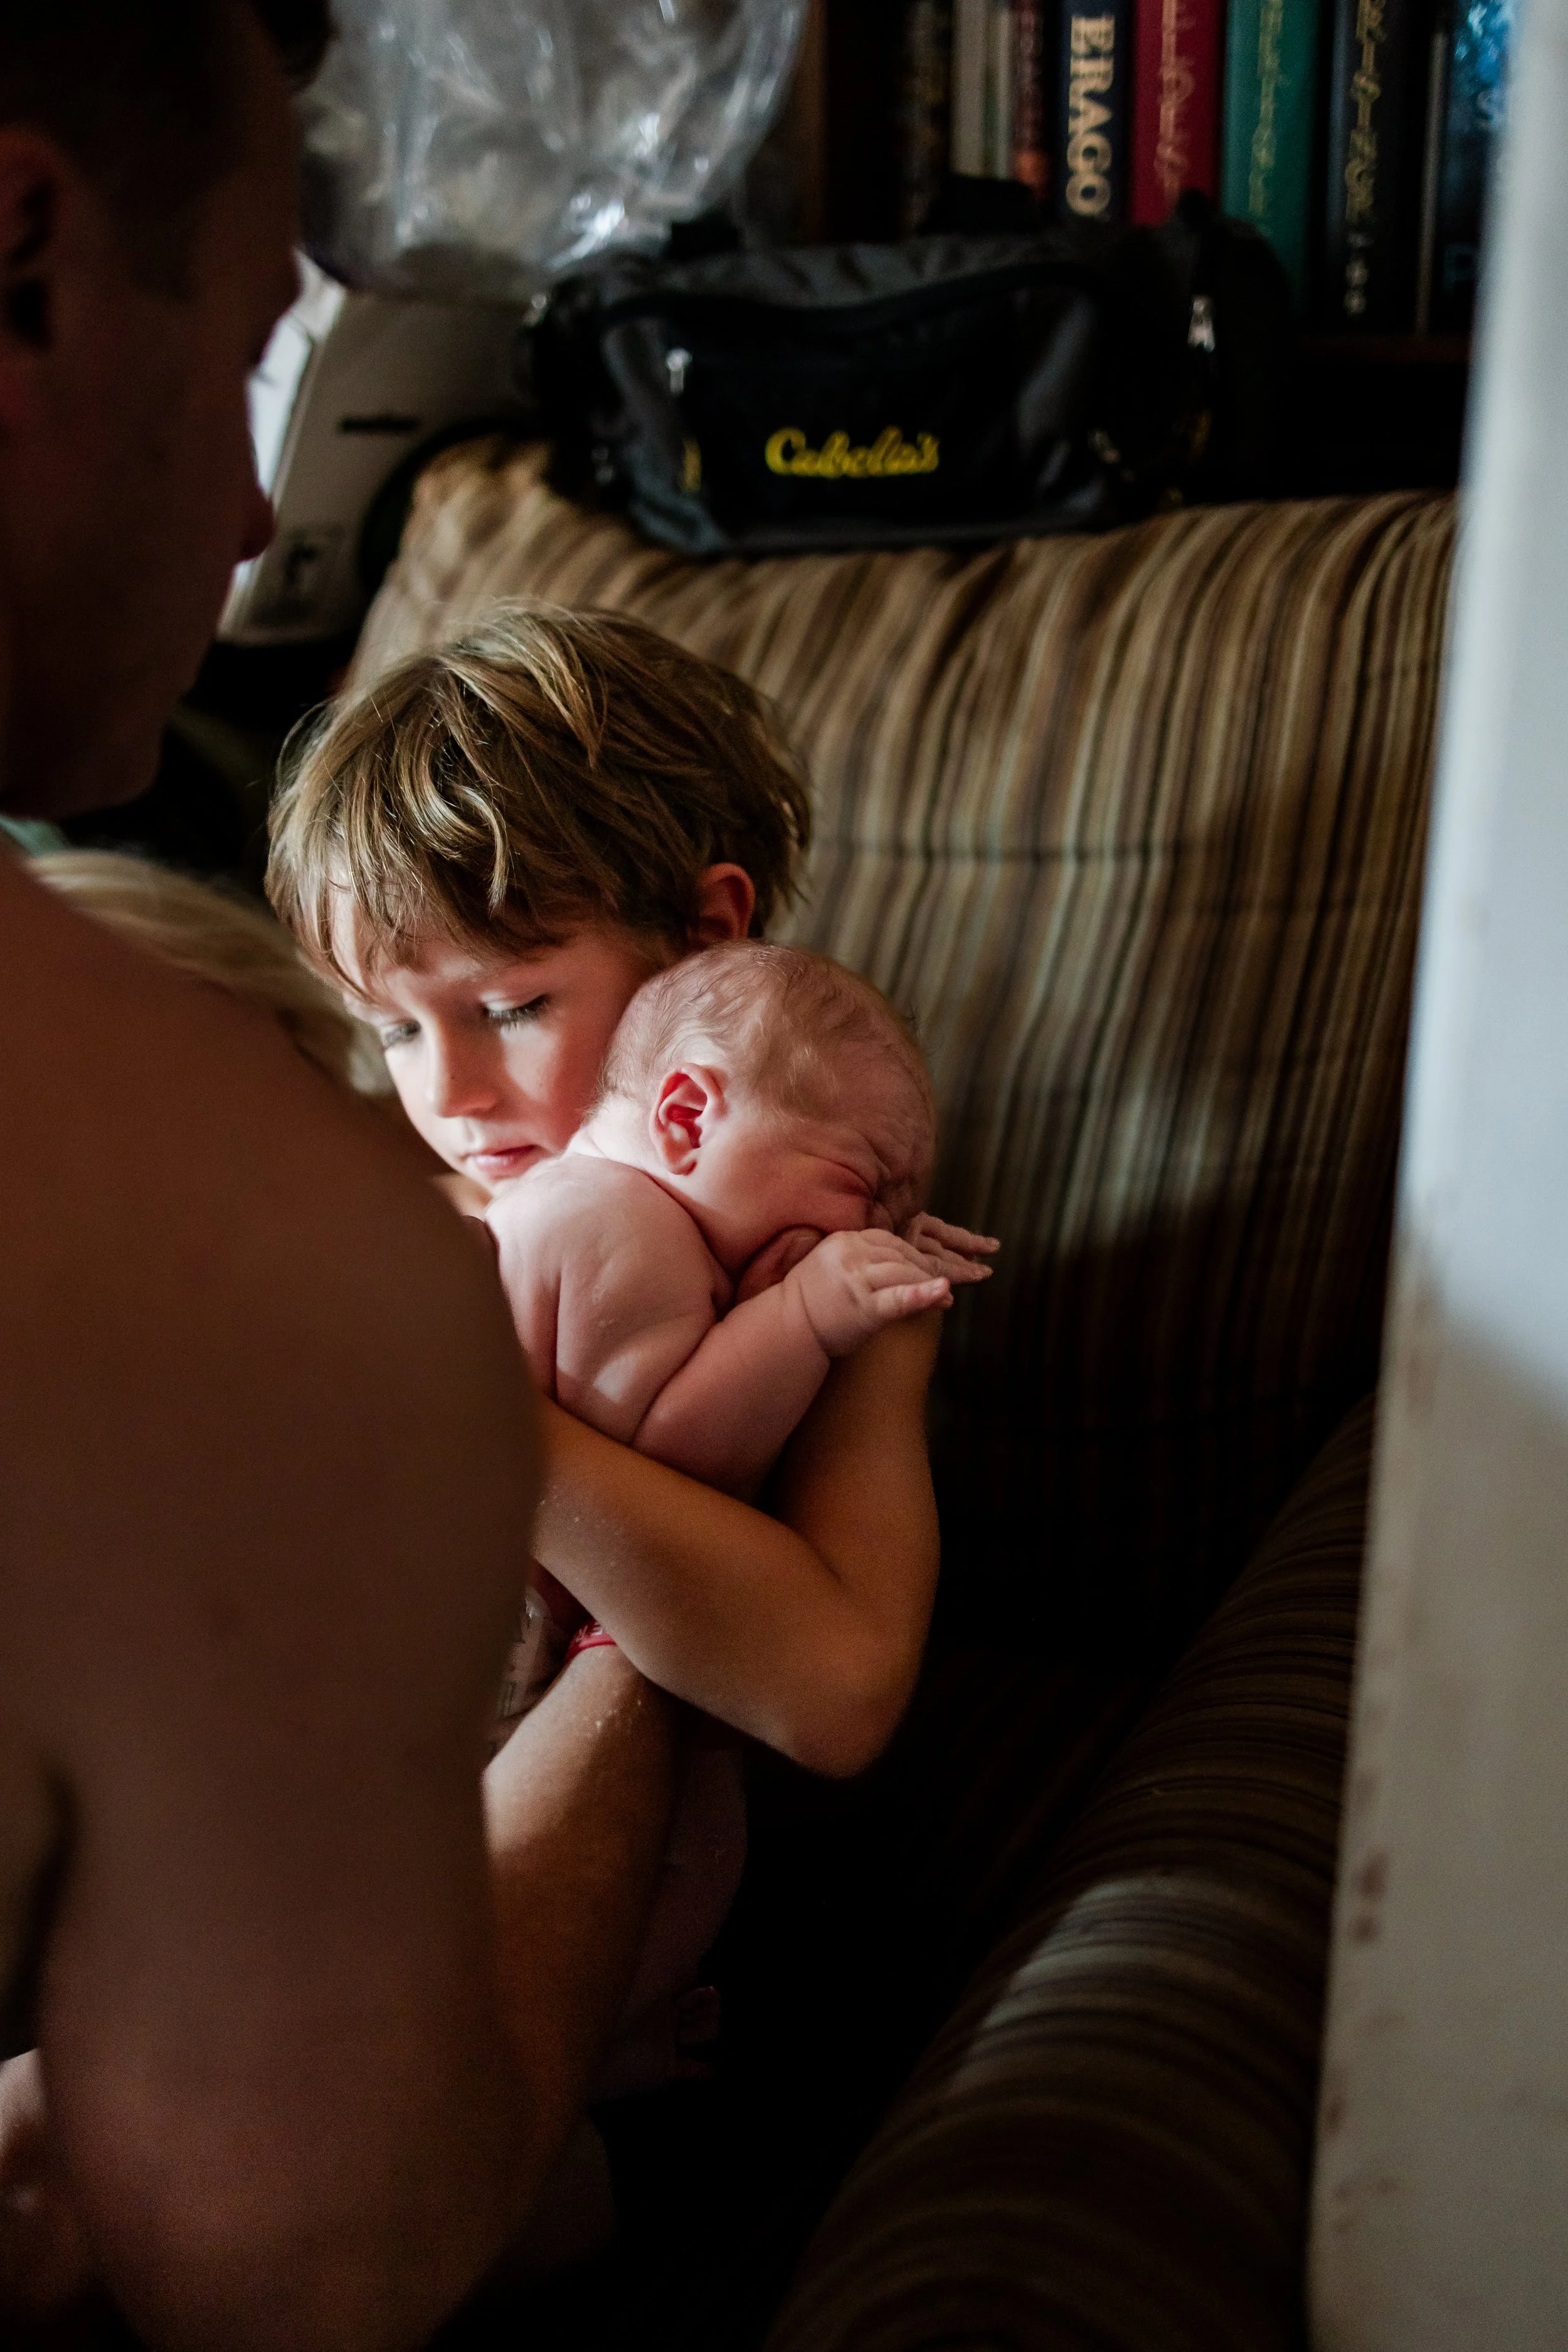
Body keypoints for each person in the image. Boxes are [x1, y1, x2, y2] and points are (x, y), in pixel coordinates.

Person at [0, 10, 683, 2347]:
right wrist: (645, 1688)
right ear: (24, 259)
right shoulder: (245, 1256)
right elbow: (307, 2258)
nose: (246, 511)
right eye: (258, 334)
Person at [268, 605, 950, 1781]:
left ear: (703, 933)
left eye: (513, 1008)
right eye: (393, 1031)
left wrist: (479, 1414)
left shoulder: (826, 1282)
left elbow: (839, 1691)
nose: (455, 1093)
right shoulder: (420, 1227)